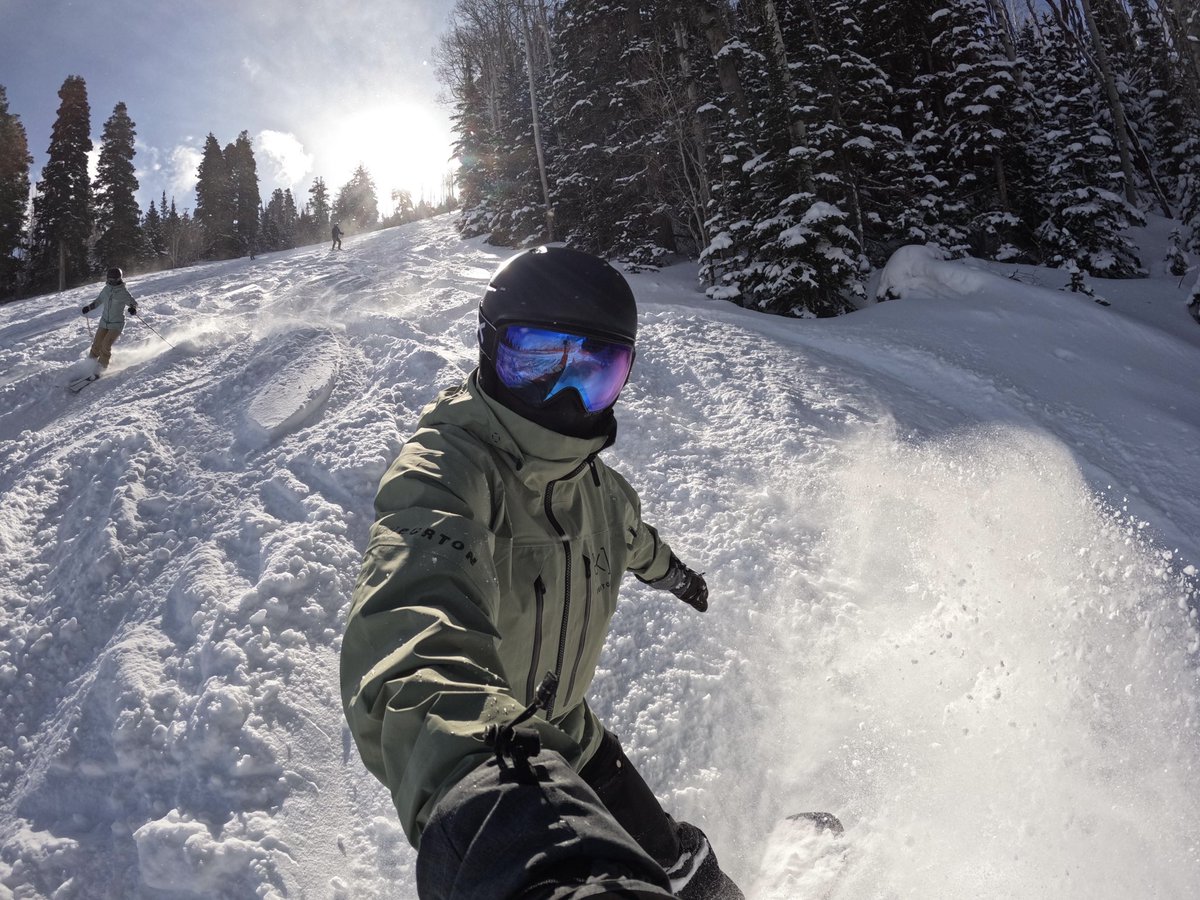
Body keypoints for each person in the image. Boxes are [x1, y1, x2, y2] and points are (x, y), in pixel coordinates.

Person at [341, 246, 744, 900]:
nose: (563, 396)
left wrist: (678, 579)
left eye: (595, 372)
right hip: (496, 753)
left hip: (572, 735)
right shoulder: (447, 468)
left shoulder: (604, 495)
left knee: (680, 864)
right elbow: (411, 622)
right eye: (535, 360)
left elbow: (639, 545)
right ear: (489, 348)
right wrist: (492, 807)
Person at [81, 267, 137, 369]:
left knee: (105, 345)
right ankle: (89, 365)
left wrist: (133, 309)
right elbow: (98, 301)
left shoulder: (123, 292)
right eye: (110, 280)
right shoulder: (106, 289)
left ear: (119, 279)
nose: (112, 282)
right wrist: (89, 307)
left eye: (114, 280)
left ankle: (101, 367)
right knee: (96, 344)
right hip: (104, 322)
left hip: (116, 324)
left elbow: (134, 303)